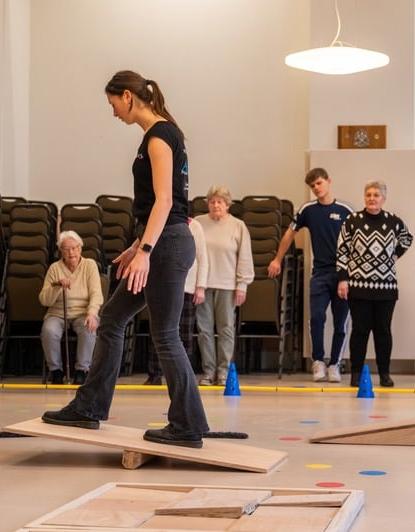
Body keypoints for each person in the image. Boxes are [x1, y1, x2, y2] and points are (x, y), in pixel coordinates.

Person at [43, 70, 209, 448]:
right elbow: (161, 205)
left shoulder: (159, 136)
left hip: (166, 245)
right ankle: (88, 407)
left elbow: (166, 201)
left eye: (113, 103)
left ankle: (188, 425)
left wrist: (146, 251)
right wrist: (137, 245)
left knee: (165, 334)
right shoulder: (163, 134)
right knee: (112, 319)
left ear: (128, 97)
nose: (113, 111)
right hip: (161, 240)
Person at [267, 168, 353, 383]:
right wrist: (277, 259)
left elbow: (358, 240)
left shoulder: (345, 210)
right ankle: (318, 361)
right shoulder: (308, 210)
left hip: (342, 274)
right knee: (316, 318)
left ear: (328, 181)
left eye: (319, 183)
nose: (316, 188)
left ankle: (335, 363)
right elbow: (289, 234)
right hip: (320, 274)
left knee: (341, 321)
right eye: (313, 186)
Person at [337, 180, 413, 388]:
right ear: (365, 197)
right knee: (360, 331)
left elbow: (407, 238)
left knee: (383, 332)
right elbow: (342, 250)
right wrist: (343, 279)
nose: (372, 198)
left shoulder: (393, 221)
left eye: (376, 195)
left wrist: (395, 255)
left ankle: (384, 374)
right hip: (358, 287)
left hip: (386, 288)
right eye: (369, 194)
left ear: (383, 199)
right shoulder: (352, 220)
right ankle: (356, 373)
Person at [195, 185, 254, 386]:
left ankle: (224, 371)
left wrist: (242, 285)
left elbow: (245, 257)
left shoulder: (238, 226)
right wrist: (196, 284)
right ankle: (208, 371)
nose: (216, 205)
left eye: (220, 202)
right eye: (212, 202)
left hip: (228, 285)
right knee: (204, 330)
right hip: (203, 285)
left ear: (227, 204)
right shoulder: (198, 223)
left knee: (226, 329)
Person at [144, 217, 208, 385]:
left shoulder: (195, 226)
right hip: (161, 285)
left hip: (187, 287)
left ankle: (183, 375)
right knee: (157, 329)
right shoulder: (158, 222)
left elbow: (202, 258)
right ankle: (154, 374)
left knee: (185, 333)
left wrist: (200, 286)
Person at [39, 230, 104, 385]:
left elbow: (96, 294)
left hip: (83, 312)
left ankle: (82, 371)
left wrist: (92, 313)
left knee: (89, 328)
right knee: (49, 330)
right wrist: (56, 286)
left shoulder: (90, 265)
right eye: (66, 249)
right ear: (61, 251)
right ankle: (56, 371)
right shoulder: (54, 268)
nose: (71, 252)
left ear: (80, 248)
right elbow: (44, 300)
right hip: (57, 313)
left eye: (74, 248)